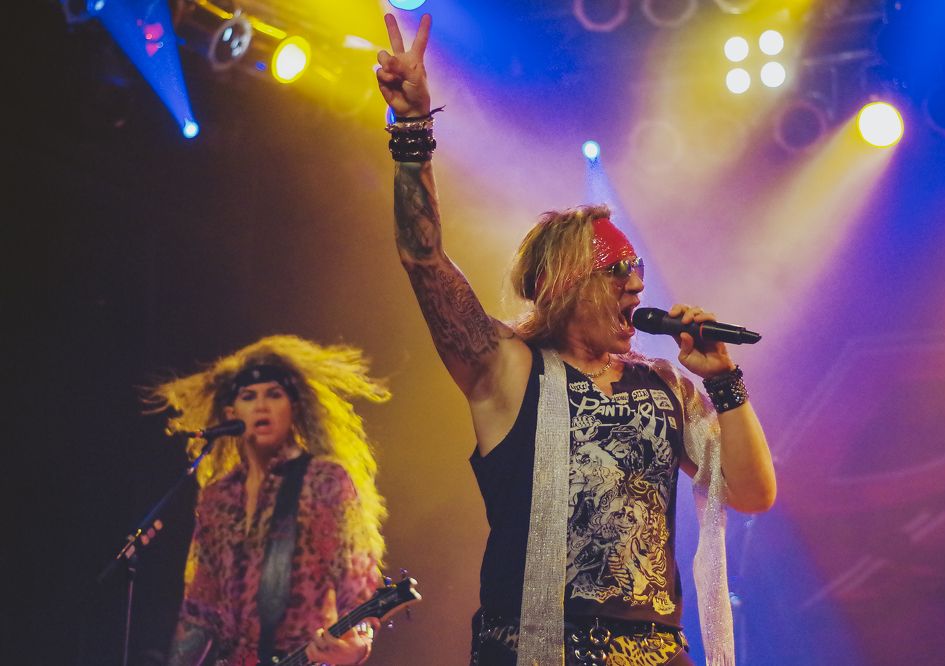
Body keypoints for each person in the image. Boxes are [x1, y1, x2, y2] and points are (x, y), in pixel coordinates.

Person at [375, 13, 776, 666]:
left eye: (637, 272)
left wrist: (725, 382)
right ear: (564, 283)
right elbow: (424, 259)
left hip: (655, 652)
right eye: (617, 272)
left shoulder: (664, 384)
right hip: (537, 650)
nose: (636, 286)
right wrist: (412, 128)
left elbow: (754, 493)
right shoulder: (507, 368)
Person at [147, 335, 389, 666]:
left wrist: (357, 645)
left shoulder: (323, 482)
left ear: (295, 407)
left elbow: (357, 586)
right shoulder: (219, 497)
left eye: (274, 394)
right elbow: (200, 612)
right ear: (231, 413)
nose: (261, 406)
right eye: (249, 396)